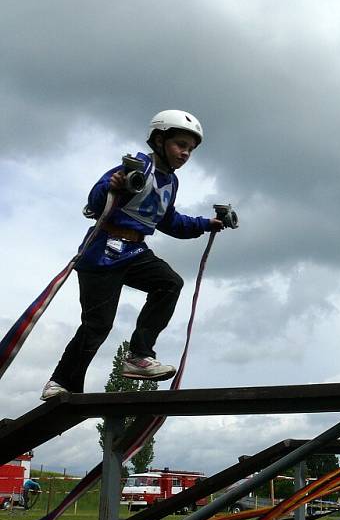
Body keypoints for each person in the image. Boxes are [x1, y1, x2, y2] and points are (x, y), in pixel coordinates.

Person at [41, 110, 224, 400]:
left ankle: (138, 356)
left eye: (190, 149)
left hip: (135, 251)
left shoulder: (170, 183)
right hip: (103, 251)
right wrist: (112, 185)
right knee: (98, 325)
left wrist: (205, 224)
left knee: (170, 283)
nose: (185, 153)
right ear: (160, 140)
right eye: (180, 144)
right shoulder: (137, 167)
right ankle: (62, 383)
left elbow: (169, 221)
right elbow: (95, 200)